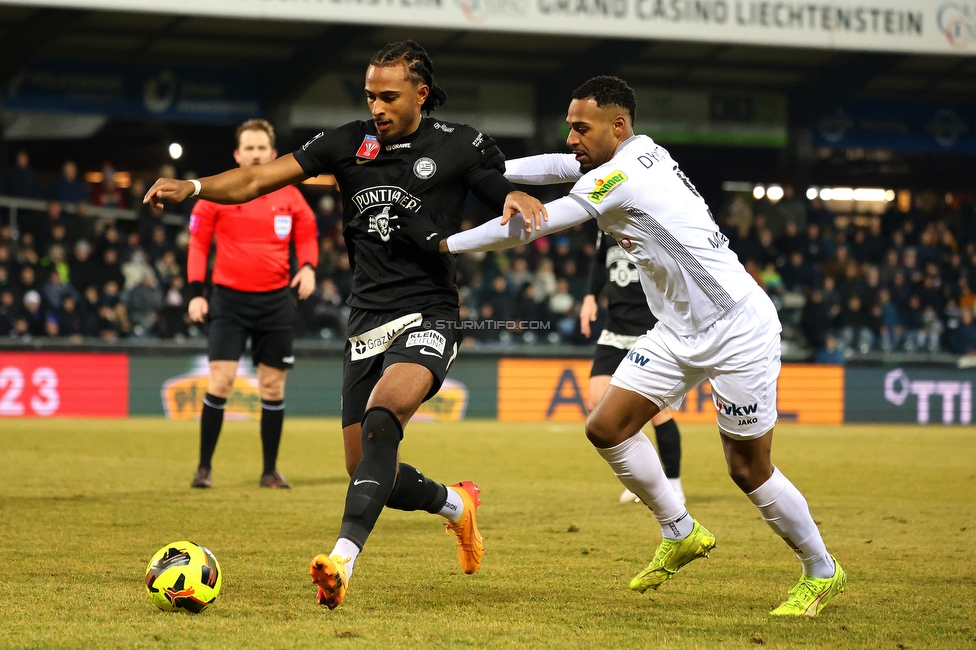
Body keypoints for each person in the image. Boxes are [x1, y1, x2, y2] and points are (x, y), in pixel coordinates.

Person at [408, 76, 844, 617]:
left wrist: (444, 245)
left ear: (617, 125)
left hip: (736, 327)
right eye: (569, 127)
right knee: (606, 426)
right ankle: (679, 530)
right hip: (677, 331)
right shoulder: (632, 153)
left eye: (581, 128)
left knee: (747, 469)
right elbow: (554, 165)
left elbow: (531, 226)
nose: (571, 138)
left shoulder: (622, 175)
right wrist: (471, 165)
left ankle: (821, 569)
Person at [144, 41, 547, 610]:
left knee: (383, 417)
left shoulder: (458, 143)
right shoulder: (345, 143)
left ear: (421, 94)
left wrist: (514, 196)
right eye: (370, 96)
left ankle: (341, 560)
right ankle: (457, 505)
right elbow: (258, 181)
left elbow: (494, 187)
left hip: (429, 312)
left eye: (389, 96)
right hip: (366, 319)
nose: (377, 107)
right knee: (365, 468)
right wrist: (195, 187)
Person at [176, 119, 318, 490]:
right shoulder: (216, 194)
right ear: (237, 155)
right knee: (220, 382)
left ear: (273, 154)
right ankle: (203, 469)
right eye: (249, 149)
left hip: (275, 302)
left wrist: (308, 267)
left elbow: (307, 232)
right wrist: (195, 293)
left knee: (272, 388)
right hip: (229, 302)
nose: (256, 155)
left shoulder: (290, 195)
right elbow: (197, 245)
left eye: (261, 148)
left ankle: (269, 471)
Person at [579, 230, 684, 505]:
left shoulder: (648, 222)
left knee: (657, 413)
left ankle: (674, 484)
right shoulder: (604, 224)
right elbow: (600, 260)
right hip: (615, 326)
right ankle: (645, 481)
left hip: (649, 327)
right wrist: (590, 297)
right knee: (596, 403)